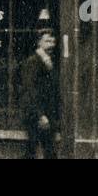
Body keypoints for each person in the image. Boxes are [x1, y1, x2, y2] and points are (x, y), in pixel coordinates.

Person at [19, 28, 58, 159]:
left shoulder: (49, 61)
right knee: (36, 149)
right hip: (35, 114)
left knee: (41, 149)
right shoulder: (33, 62)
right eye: (47, 41)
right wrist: (40, 115)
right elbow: (30, 90)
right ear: (39, 43)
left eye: (53, 41)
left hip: (45, 114)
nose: (51, 44)